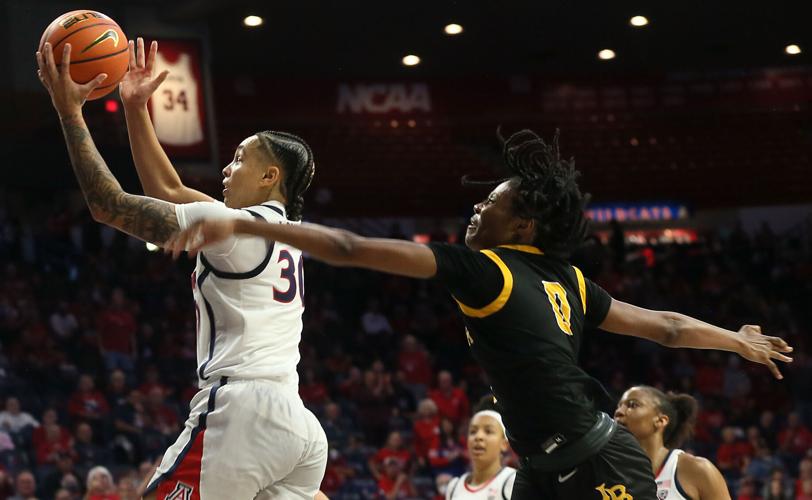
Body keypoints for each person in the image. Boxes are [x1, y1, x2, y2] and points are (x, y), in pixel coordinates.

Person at [168, 127, 794, 499]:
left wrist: (240, 223)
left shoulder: (487, 270)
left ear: (523, 223)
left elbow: (351, 248)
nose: (475, 211)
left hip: (600, 459)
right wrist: (734, 340)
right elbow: (670, 327)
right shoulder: (569, 281)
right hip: (542, 473)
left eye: (490, 203)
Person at [35, 39, 326, 499]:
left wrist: (70, 112)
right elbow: (168, 188)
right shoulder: (276, 232)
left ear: (271, 177)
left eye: (239, 160)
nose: (227, 170)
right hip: (298, 426)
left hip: (243, 412)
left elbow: (108, 206)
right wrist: (135, 107)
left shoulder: (235, 228)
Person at [614, 386, 731, 499]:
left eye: (632, 405)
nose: (618, 412)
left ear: (660, 421)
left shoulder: (697, 470)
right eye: (619, 406)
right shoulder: (609, 474)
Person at [445, 408, 517, 499]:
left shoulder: (512, 481)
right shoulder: (454, 486)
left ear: (504, 444)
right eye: (473, 432)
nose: (478, 437)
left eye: (488, 431)